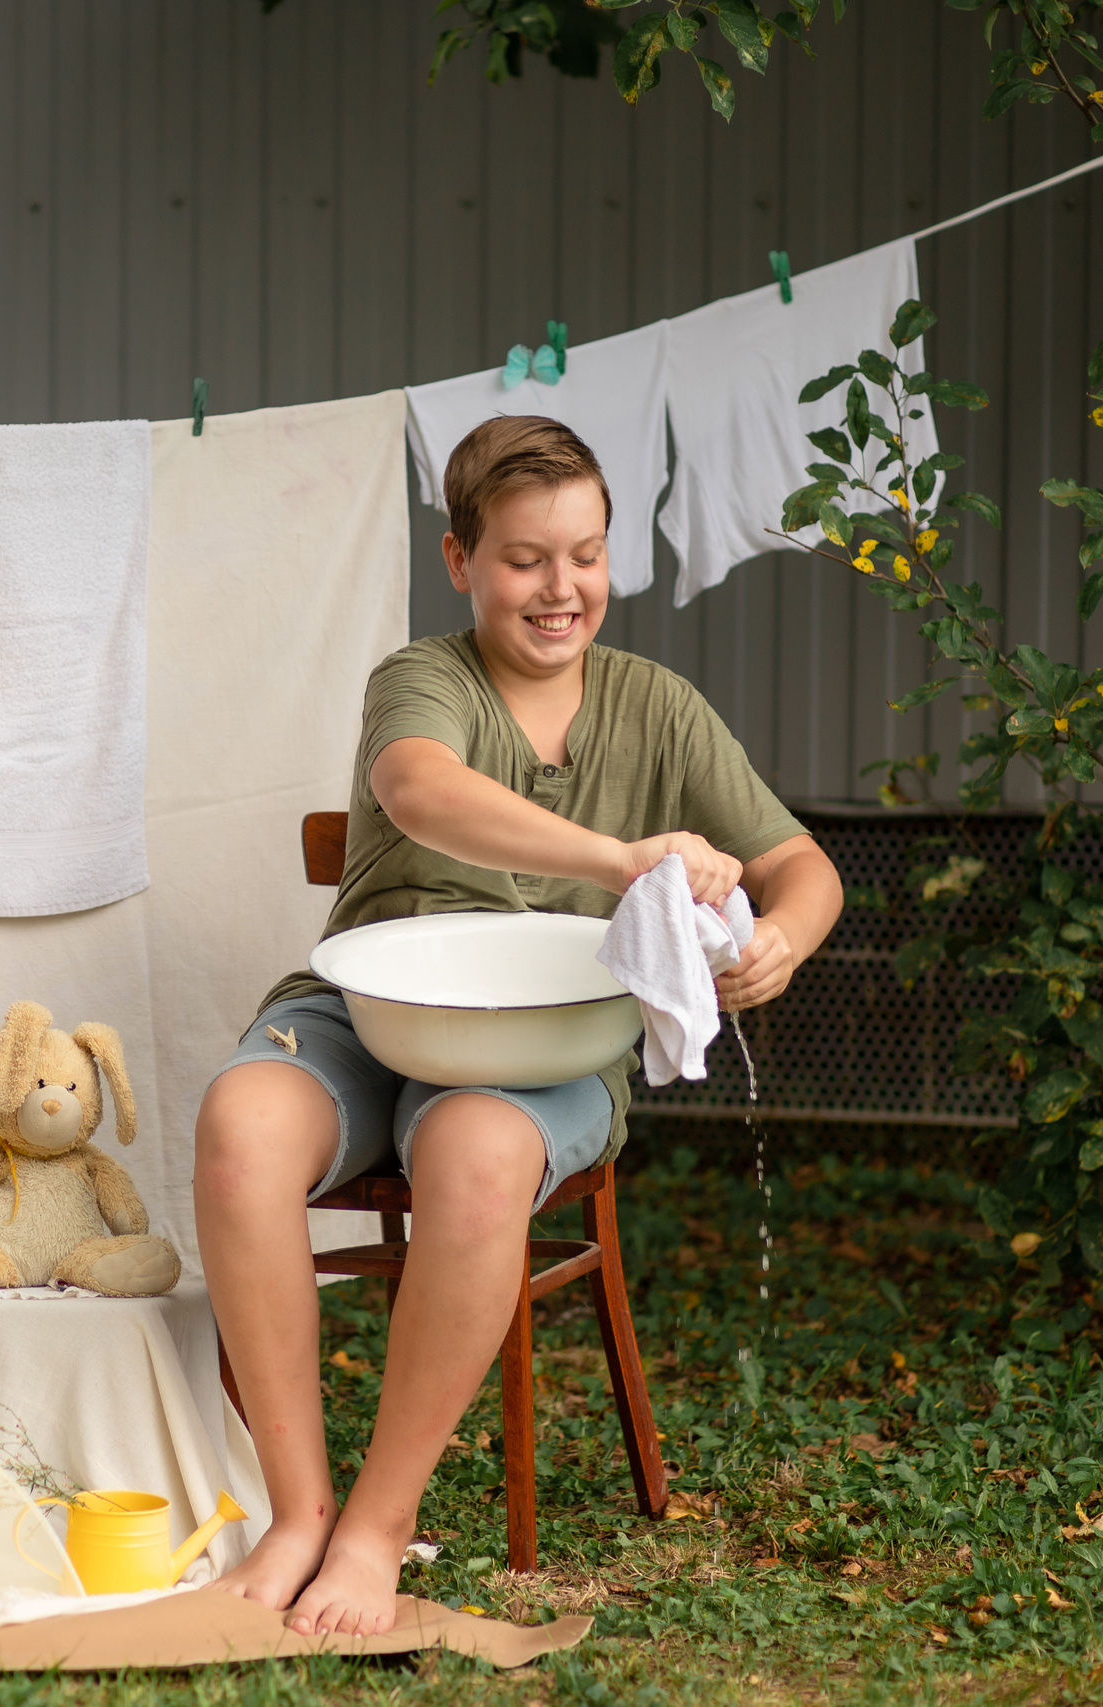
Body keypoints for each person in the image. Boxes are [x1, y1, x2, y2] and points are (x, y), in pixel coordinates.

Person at [197, 415, 842, 1633]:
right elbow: (418, 791)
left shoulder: (658, 706)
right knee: (240, 1125)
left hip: (545, 1043)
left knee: (477, 1155)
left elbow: (803, 865)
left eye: (586, 555)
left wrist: (780, 939)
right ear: (459, 560)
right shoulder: (423, 678)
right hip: (367, 1011)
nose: (561, 588)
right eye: (525, 559)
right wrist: (621, 857)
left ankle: (375, 1532)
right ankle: (295, 1514)